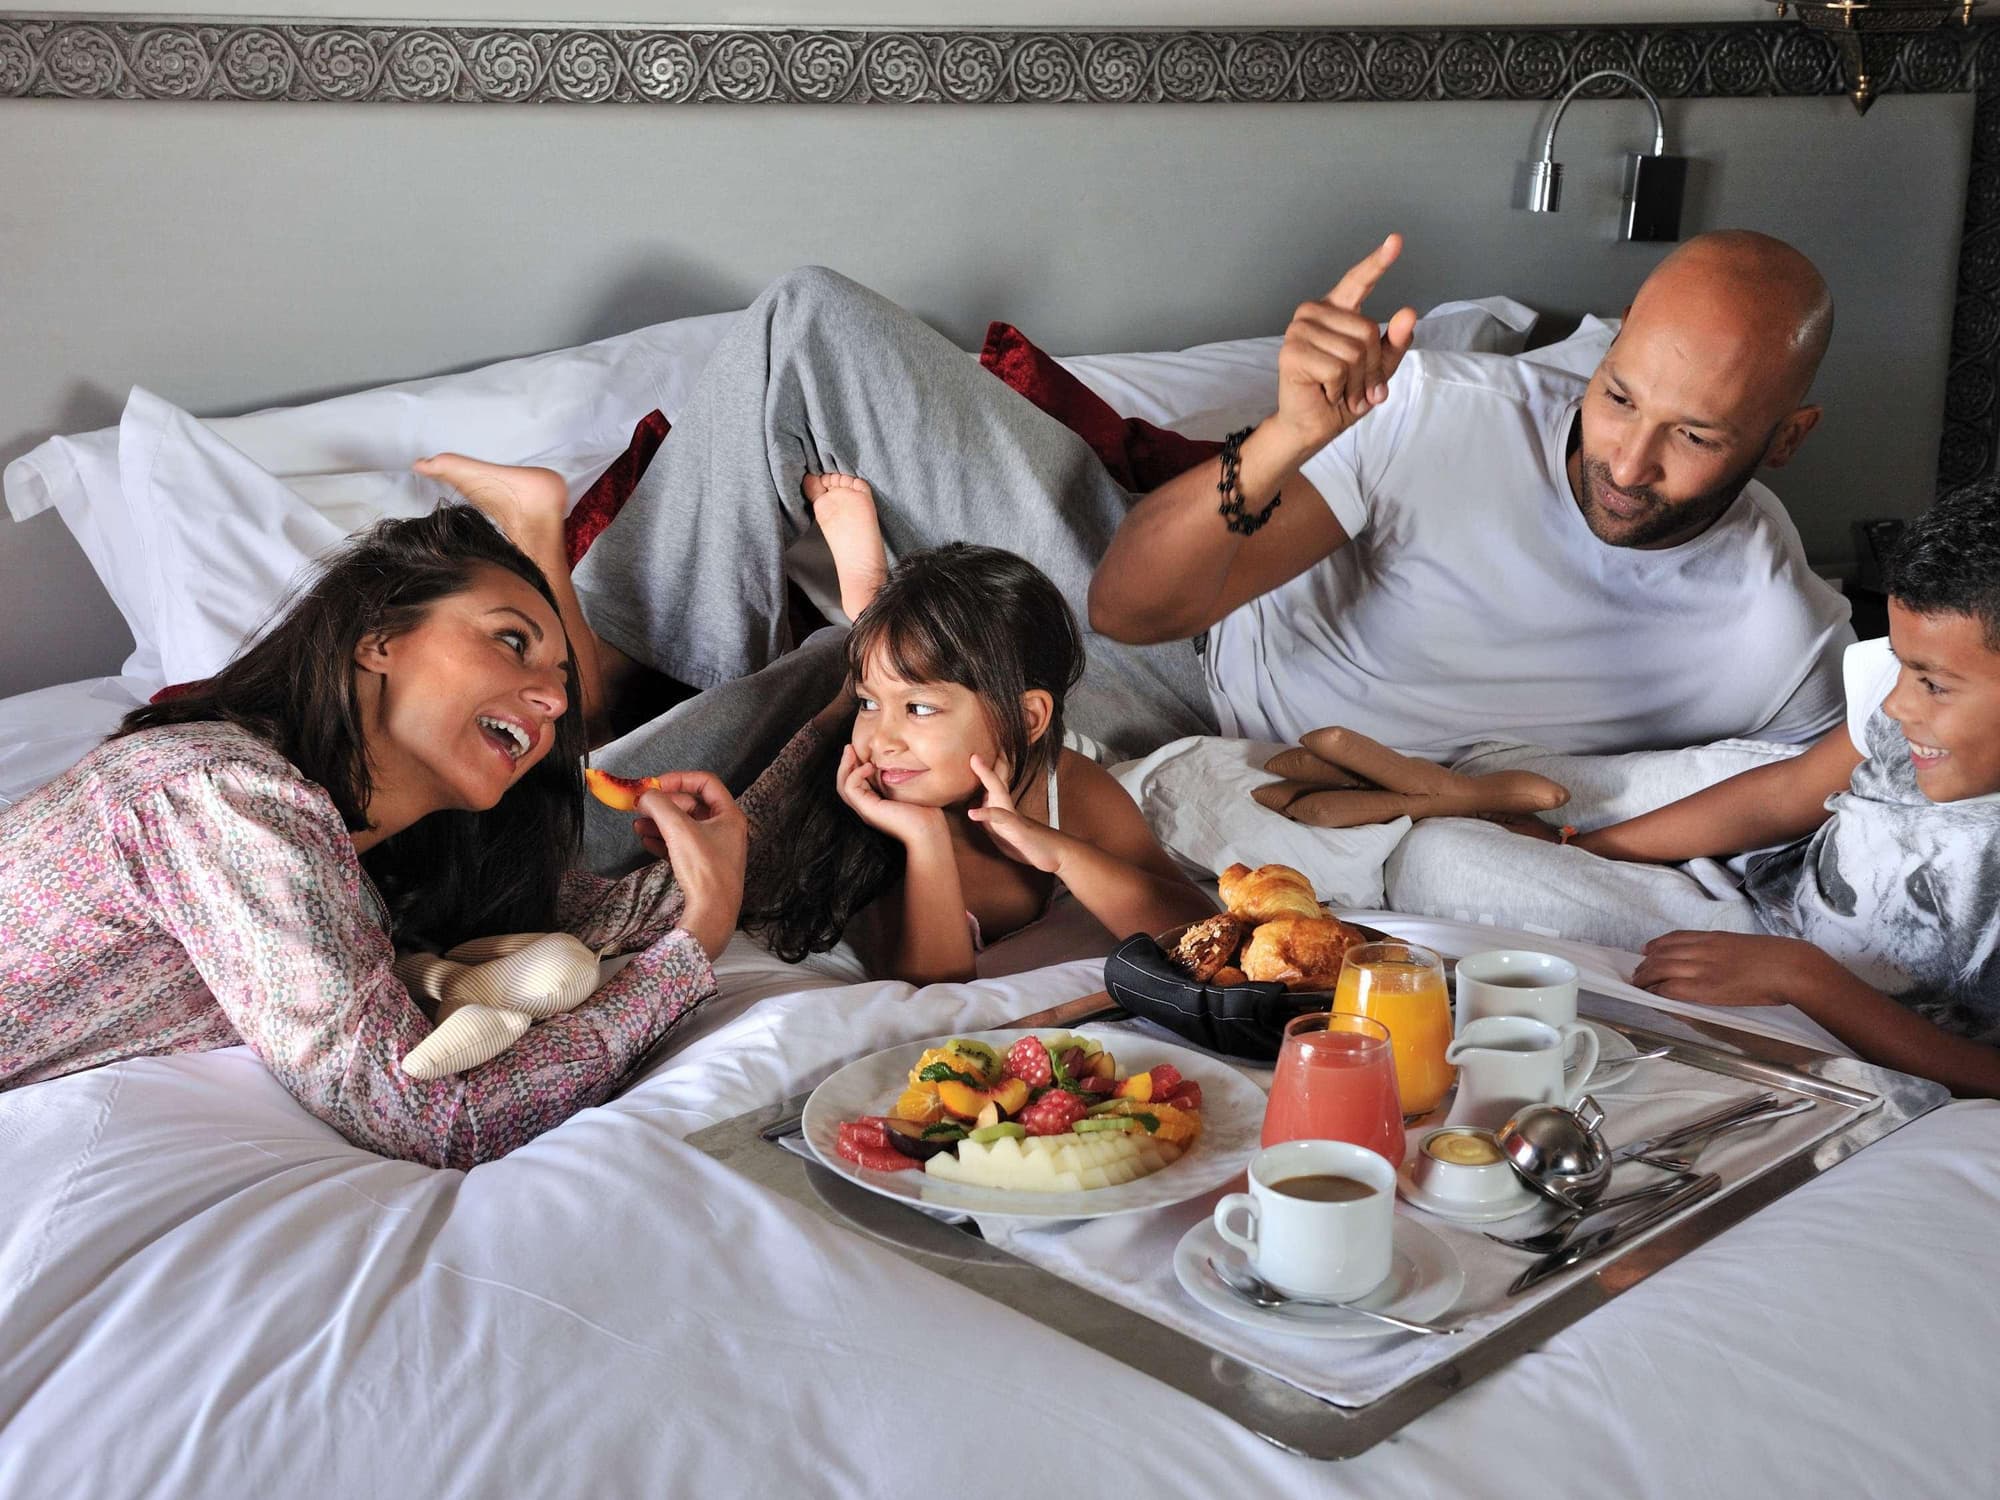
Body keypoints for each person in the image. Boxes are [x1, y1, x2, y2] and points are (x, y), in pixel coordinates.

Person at [560, 231, 1850, 796]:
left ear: (1782, 442)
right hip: (1174, 621)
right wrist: (1290, 432)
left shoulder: (1771, 633)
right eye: (1619, 398)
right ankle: (607, 670)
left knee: (868, 684)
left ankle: (565, 828)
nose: (1624, 460)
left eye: (1692, 437)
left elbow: (1897, 768)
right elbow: (1127, 602)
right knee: (807, 321)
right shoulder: (1459, 411)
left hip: (1204, 759)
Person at [0, 504, 785, 1168]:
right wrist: (698, 939)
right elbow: (438, 1118)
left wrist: (723, 853)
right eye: (512, 642)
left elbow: (589, 932)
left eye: (560, 679)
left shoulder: (379, 859)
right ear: (376, 638)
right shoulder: (221, 796)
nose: (551, 697)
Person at [1386, 482, 2000, 1098]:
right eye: (1899, 665)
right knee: (1494, 773)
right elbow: (1781, 795)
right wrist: (1582, 850)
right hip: (1762, 890)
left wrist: (1808, 979)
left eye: (1934, 685)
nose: (1894, 702)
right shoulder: (1905, 712)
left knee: (1436, 859)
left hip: (1803, 994)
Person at [740, 472, 1215, 982]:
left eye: (920, 709)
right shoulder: (870, 814)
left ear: (1028, 718)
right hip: (805, 735)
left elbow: (1198, 929)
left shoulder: (1065, 786)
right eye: (869, 704)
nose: (881, 741)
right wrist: (924, 839)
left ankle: (872, 618)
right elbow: (932, 989)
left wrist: (1055, 850)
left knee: (883, 671)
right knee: (807, 698)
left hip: (999, 729)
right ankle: (866, 619)